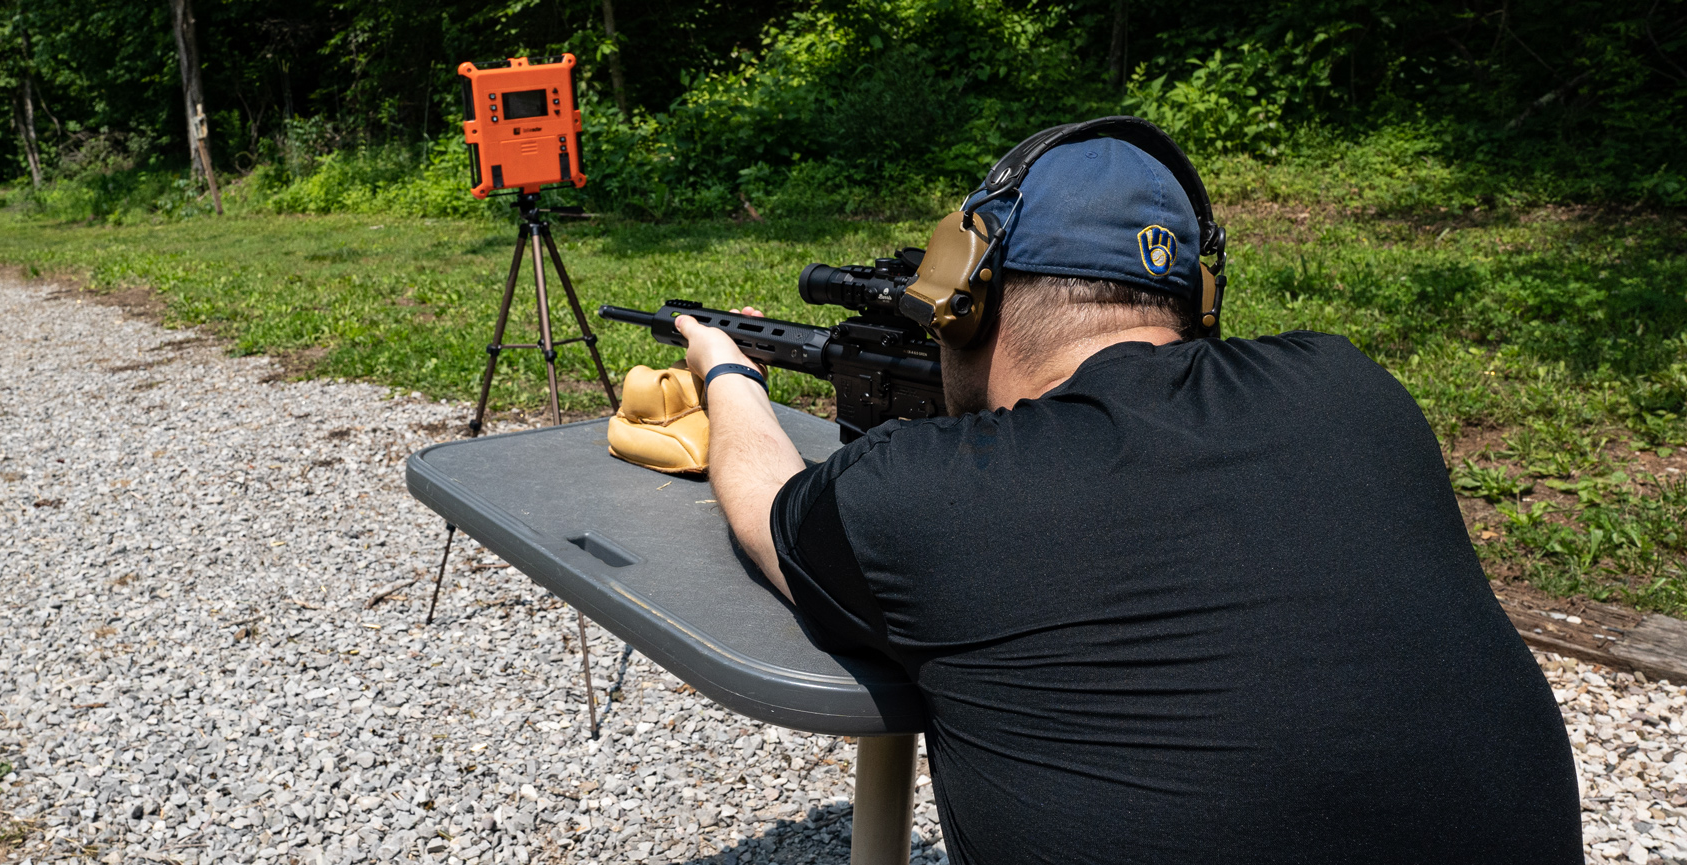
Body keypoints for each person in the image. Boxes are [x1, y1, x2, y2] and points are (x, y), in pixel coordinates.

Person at [673, 135, 1580, 863]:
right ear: (1200, 299)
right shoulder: (1355, 391)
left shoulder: (919, 493)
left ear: (963, 303)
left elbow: (765, 501)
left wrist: (727, 373)